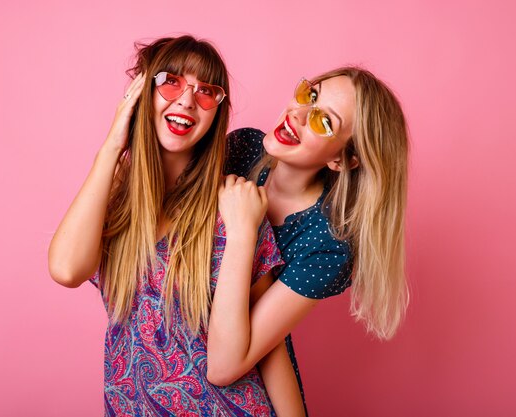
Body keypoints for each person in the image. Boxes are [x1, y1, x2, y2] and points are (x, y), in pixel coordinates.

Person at [48, 35, 301, 416]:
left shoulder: (233, 207)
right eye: (170, 81)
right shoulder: (112, 199)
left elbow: (269, 346)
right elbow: (66, 269)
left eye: (206, 92)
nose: (186, 99)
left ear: (217, 113)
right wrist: (116, 141)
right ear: (140, 93)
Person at [207, 67, 410, 414]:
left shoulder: (327, 245)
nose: (298, 114)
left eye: (324, 122)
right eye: (309, 95)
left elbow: (225, 367)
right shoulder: (241, 150)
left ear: (342, 160)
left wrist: (245, 233)